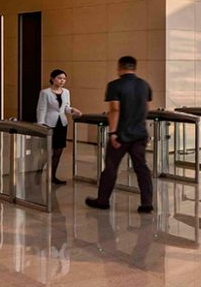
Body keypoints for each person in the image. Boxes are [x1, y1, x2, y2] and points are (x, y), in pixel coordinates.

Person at [85, 56, 154, 213]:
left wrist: (113, 133)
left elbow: (115, 109)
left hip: (121, 134)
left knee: (110, 167)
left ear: (119, 67)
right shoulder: (144, 85)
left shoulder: (114, 85)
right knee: (142, 168)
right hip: (139, 134)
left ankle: (102, 200)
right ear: (134, 68)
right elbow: (146, 108)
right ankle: (147, 203)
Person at [37, 69, 83, 185]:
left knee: (58, 151)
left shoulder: (66, 92)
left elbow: (66, 107)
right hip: (49, 124)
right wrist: (41, 124)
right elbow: (41, 109)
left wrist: (73, 110)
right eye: (59, 78)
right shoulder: (45, 92)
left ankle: (53, 176)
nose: (62, 80)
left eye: (64, 78)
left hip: (61, 124)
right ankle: (37, 174)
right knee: (46, 152)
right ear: (52, 79)